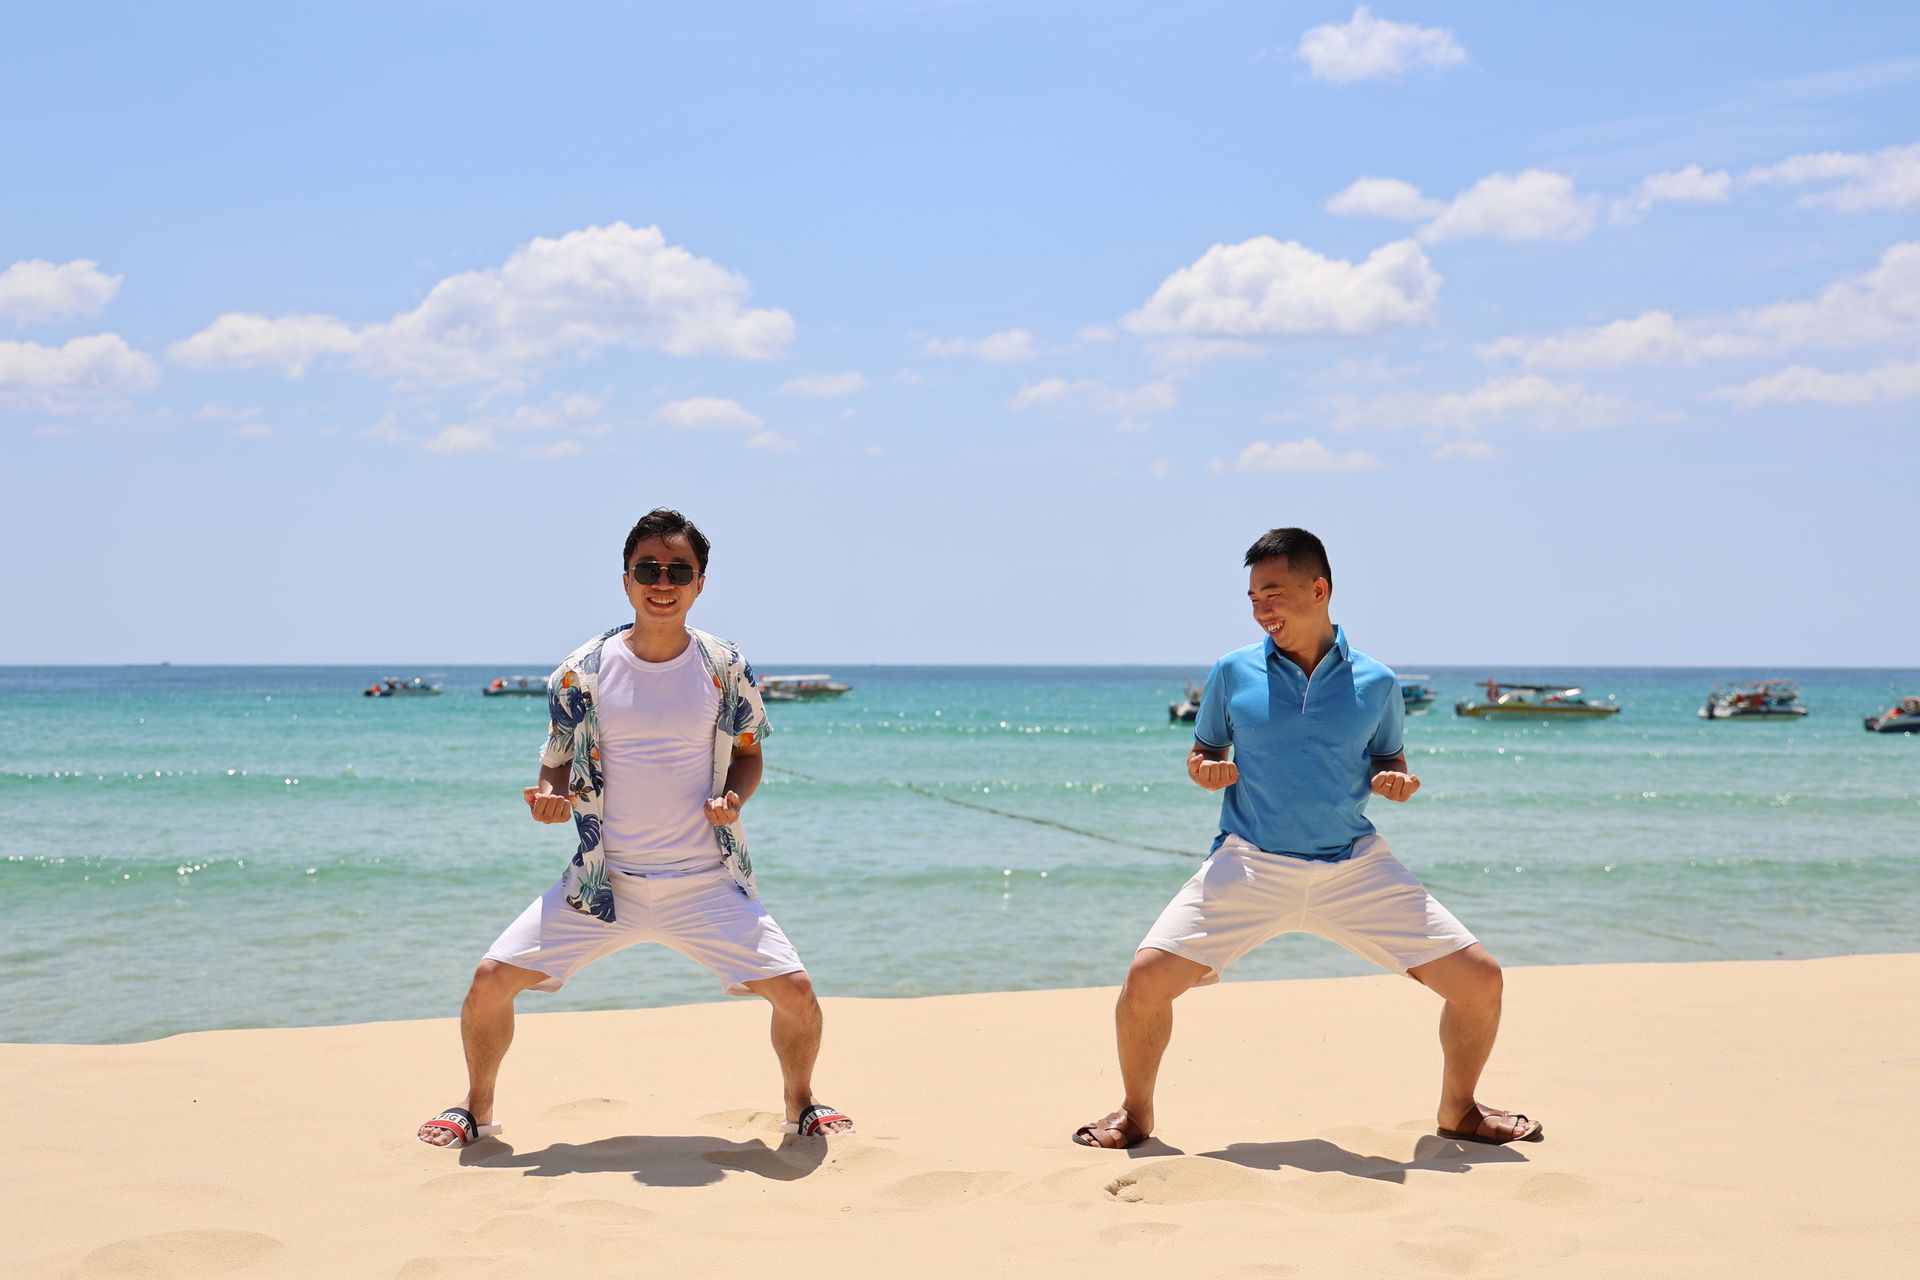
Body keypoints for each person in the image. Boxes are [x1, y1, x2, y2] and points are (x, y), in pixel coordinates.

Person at [1072, 527, 1541, 1150]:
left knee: (1481, 981)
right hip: (1250, 864)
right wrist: (1205, 770)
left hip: (1353, 867)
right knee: (1145, 981)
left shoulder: (1378, 682)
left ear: (1319, 590)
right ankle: (1136, 1114)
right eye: (1253, 599)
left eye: (1273, 594)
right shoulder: (1231, 671)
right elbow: (1204, 751)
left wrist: (1396, 782)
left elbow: (1389, 760)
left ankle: (1459, 1110)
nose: (1261, 610)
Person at [416, 508, 853, 1149]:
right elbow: (556, 762)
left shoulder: (724, 664)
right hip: (603, 884)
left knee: (796, 993)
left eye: (679, 570)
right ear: (626, 580)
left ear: (700, 583)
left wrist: (735, 796)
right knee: (489, 983)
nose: (662, 582)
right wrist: (549, 798)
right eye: (648, 569)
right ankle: (475, 1109)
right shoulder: (581, 671)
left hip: (705, 881)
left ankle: (801, 1104)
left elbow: (750, 752)